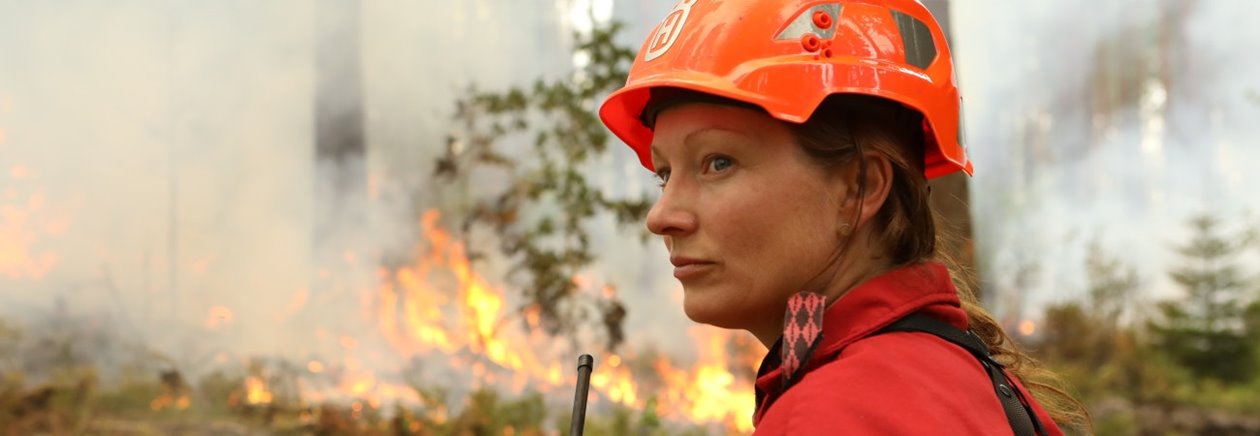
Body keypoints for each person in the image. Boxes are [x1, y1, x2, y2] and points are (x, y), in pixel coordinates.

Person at [598, 0, 1089, 434]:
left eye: (718, 162)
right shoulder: (947, 374)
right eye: (664, 174)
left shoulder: (838, 411)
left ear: (860, 186)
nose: (662, 216)